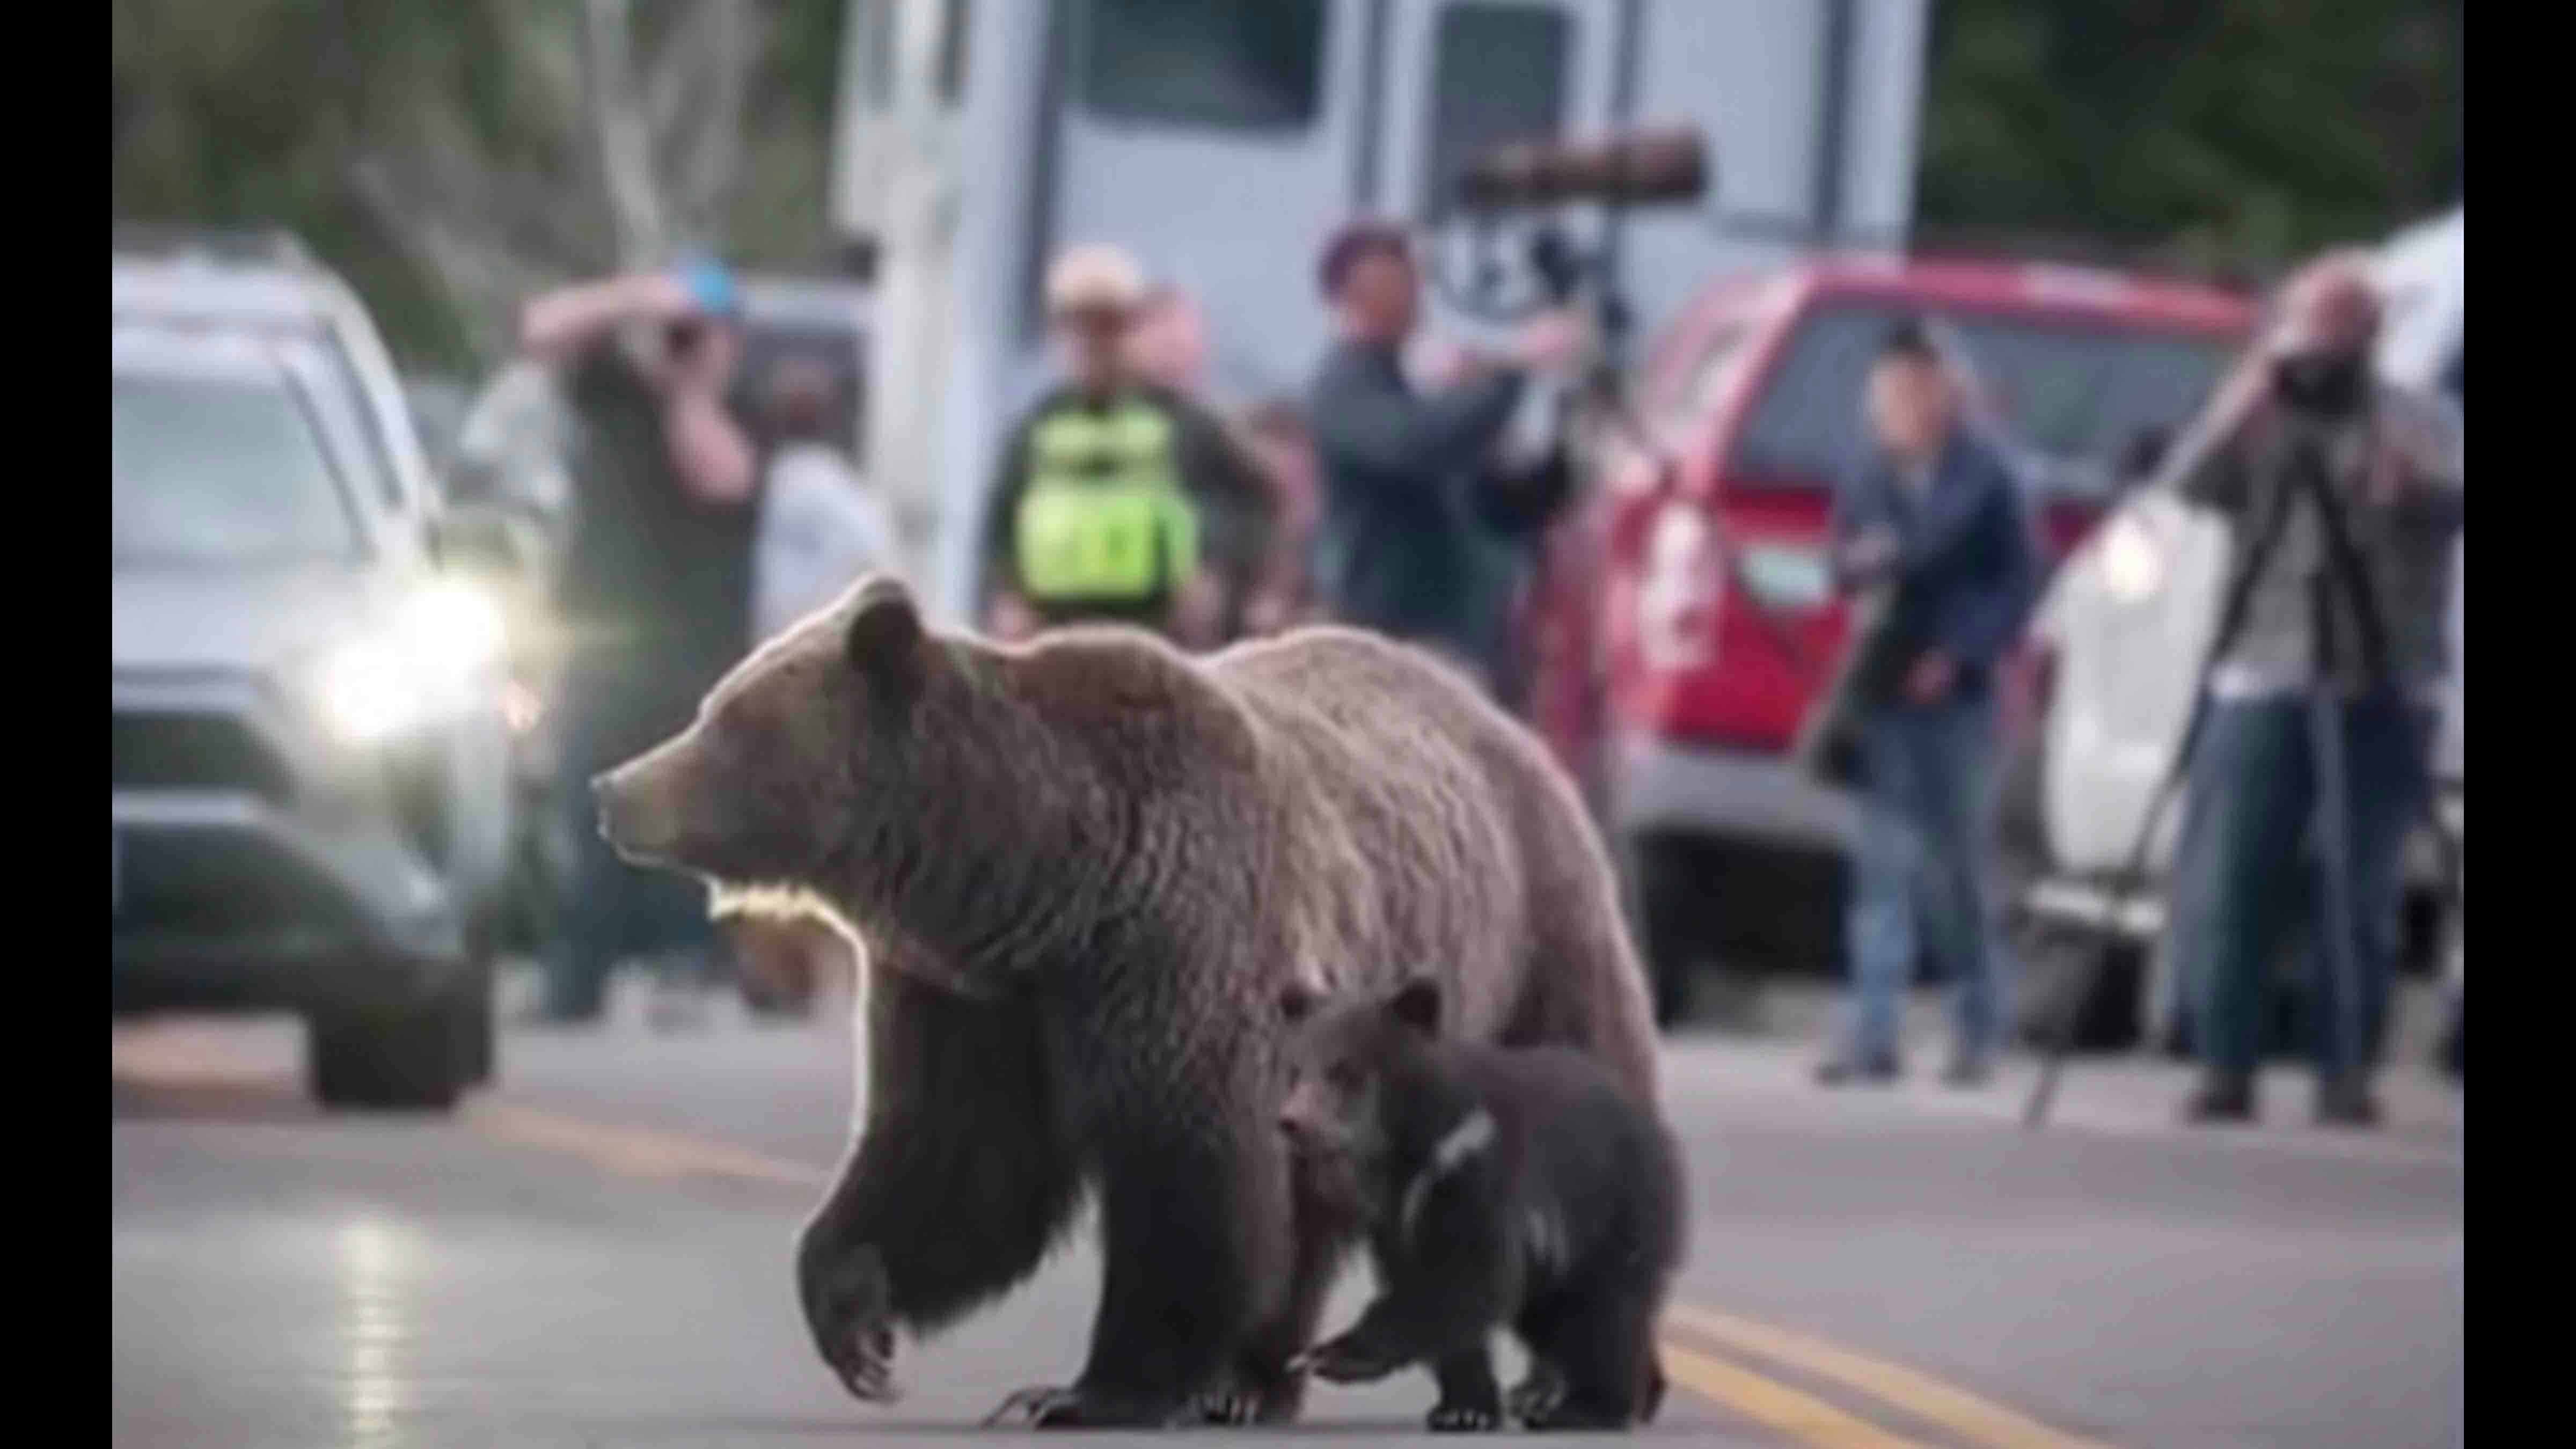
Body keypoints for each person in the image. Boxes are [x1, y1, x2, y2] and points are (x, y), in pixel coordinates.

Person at [2156, 252, 2462, 1128]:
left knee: (2355, 886)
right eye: (2305, 322)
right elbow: (2189, 484)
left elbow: (2455, 495)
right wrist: (2253, 387)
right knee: (2236, 876)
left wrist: (2413, 478)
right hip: (2262, 663)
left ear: (2371, 334)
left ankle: (2343, 1073)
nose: (2319, 345)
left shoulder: (2418, 417)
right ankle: (2225, 1065)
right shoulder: (2263, 416)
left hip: (2383, 670)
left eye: (2338, 325)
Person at [517, 258, 765, 1024]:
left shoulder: (742, 410)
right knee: (587, 813)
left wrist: (689, 392)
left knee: (688, 820)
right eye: (678, 333)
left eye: (701, 333)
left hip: (692, 652)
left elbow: (722, 479)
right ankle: (576, 979)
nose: (686, 345)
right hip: (601, 641)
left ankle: (688, 970)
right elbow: (539, 332)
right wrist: (632, 300)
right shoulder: (615, 393)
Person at [1816, 320, 2037, 1088]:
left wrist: (1960, 655)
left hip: (1956, 694)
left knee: (1955, 871)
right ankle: (1871, 1034)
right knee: (1880, 867)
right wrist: (1866, 564)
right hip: (1883, 686)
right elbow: (1841, 564)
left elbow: (2015, 585)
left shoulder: (1988, 478)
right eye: (1894, 391)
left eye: (1921, 387)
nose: (1907, 405)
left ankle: (1978, 1024)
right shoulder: (1870, 476)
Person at [1304, 221, 1582, 696]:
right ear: (1363, 290)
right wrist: (1510, 371)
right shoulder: (1343, 385)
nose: (1419, 294)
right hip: (1388, 639)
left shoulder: (1405, 387)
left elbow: (1494, 502)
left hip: (1454, 638)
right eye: (1405, 278)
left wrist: (1557, 441)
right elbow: (1413, 446)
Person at [977, 247, 1272, 649]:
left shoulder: (1181, 423)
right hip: (1050, 632)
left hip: (1157, 632)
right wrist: (1007, 597)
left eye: (1107, 327)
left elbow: (1251, 500)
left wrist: (1213, 570)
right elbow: (999, 526)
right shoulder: (1035, 429)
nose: (1093, 343)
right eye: (1079, 327)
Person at [731, 357, 890, 1016]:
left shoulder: (761, 493)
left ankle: (776, 967)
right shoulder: (852, 498)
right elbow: (878, 579)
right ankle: (824, 969)